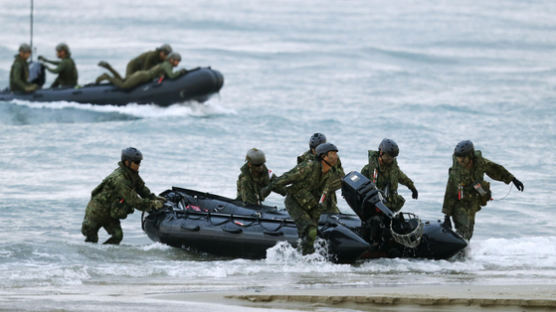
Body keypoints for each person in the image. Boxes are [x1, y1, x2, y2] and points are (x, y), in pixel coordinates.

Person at [268, 142, 343, 254]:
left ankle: (304, 253)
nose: (336, 156)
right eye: (332, 153)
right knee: (311, 231)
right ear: (323, 156)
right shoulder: (308, 167)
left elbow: (325, 192)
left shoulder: (330, 173)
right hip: (294, 201)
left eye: (336, 153)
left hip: (310, 203)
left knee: (313, 233)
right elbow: (286, 178)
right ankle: (305, 258)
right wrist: (270, 188)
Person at [442, 140, 524, 241]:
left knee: (468, 231)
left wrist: (513, 179)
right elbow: (450, 191)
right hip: (460, 199)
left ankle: (463, 253)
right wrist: (447, 215)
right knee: (461, 227)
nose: (460, 161)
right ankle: (454, 250)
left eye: (463, 159)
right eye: (458, 158)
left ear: (470, 156)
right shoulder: (456, 170)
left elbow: (496, 169)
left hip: (474, 198)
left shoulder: (480, 163)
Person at [81, 147, 165, 245]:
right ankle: (91, 259)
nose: (139, 165)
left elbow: (142, 189)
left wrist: (154, 198)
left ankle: (106, 257)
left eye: (139, 162)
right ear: (127, 162)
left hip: (110, 213)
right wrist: (152, 204)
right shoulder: (121, 180)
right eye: (136, 162)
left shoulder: (131, 175)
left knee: (117, 236)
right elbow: (134, 201)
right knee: (91, 241)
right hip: (96, 212)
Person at [360, 138, 418, 213]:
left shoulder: (393, 169)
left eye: (392, 157)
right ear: (381, 153)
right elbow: (361, 187)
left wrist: (412, 188)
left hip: (389, 206)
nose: (390, 159)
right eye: (388, 156)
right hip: (374, 206)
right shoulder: (367, 170)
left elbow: (403, 178)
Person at [297, 133, 344, 214]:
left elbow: (341, 175)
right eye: (314, 149)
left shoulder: (332, 157)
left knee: (331, 211)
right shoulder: (304, 158)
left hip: (328, 191)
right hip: (311, 195)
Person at [95, 52, 187, 90]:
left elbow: (162, 74)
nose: (177, 64)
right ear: (171, 60)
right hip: (143, 76)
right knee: (124, 86)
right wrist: (181, 72)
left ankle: (109, 68)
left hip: (142, 74)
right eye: (176, 61)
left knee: (123, 80)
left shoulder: (165, 64)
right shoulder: (167, 65)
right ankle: (107, 77)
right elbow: (171, 76)